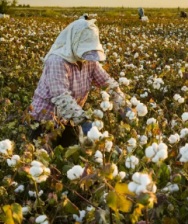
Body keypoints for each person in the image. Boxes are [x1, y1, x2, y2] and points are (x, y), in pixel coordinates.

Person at [27, 15, 128, 147]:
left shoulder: (88, 61)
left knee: (68, 158)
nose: (87, 56)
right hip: (46, 121)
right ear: (74, 43)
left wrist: (123, 104)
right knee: (44, 161)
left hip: (70, 118)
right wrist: (84, 122)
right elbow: (61, 97)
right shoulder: (57, 61)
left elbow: (106, 82)